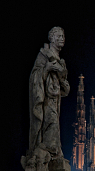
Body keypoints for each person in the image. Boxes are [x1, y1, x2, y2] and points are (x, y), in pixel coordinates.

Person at [29, 27, 71, 156]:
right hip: (46, 100)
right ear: (51, 38)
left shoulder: (60, 61)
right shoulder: (44, 55)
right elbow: (34, 77)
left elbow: (66, 90)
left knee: (54, 126)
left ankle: (53, 154)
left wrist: (61, 76)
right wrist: (46, 68)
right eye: (58, 36)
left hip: (55, 100)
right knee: (50, 123)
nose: (62, 39)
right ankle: (48, 154)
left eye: (63, 36)